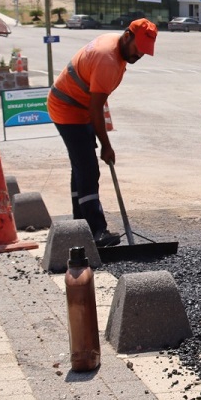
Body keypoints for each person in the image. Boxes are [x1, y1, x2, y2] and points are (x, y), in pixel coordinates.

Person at [48, 18, 158, 247]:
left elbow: (96, 105)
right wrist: (106, 145)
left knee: (82, 165)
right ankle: (97, 232)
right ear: (127, 36)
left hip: (80, 107)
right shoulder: (107, 58)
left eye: (145, 52)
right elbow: (96, 108)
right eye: (138, 49)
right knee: (87, 168)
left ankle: (79, 227)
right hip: (68, 107)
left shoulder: (116, 48)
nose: (140, 55)